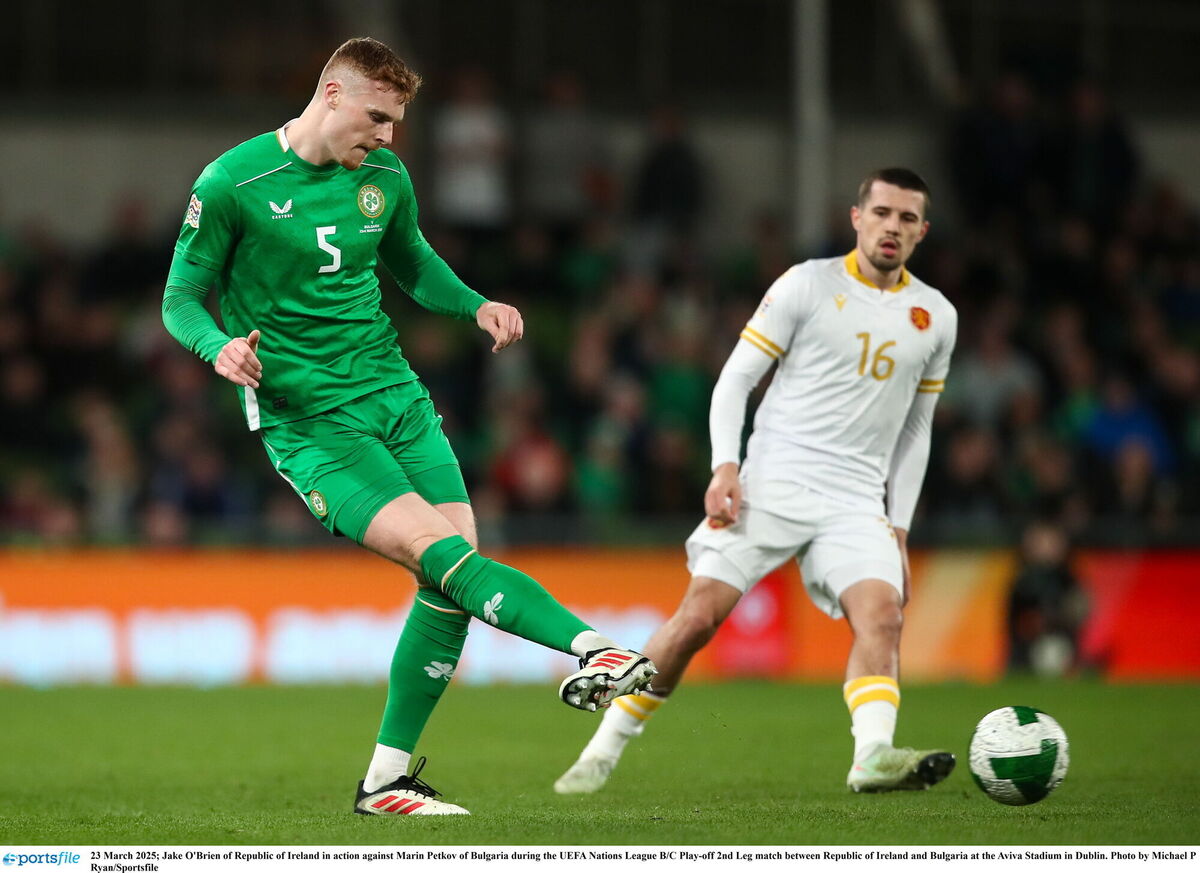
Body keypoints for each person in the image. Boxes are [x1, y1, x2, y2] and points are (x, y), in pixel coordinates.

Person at [161, 37, 655, 816]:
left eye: (395, 121)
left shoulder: (385, 176)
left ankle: (387, 781)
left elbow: (414, 262)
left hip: (396, 395)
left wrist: (476, 305)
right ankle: (597, 647)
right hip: (312, 422)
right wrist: (217, 345)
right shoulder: (233, 182)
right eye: (377, 117)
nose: (387, 136)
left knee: (452, 580)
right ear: (332, 94)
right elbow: (180, 299)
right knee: (446, 557)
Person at [556, 168, 958, 795]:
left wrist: (899, 529)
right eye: (881, 212)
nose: (892, 227)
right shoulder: (806, 285)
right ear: (857, 217)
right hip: (773, 482)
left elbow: (917, 430)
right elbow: (736, 379)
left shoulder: (936, 316)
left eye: (907, 218)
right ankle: (602, 751)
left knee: (883, 616)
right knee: (697, 619)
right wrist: (726, 465)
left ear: (922, 231)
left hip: (856, 499)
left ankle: (873, 756)